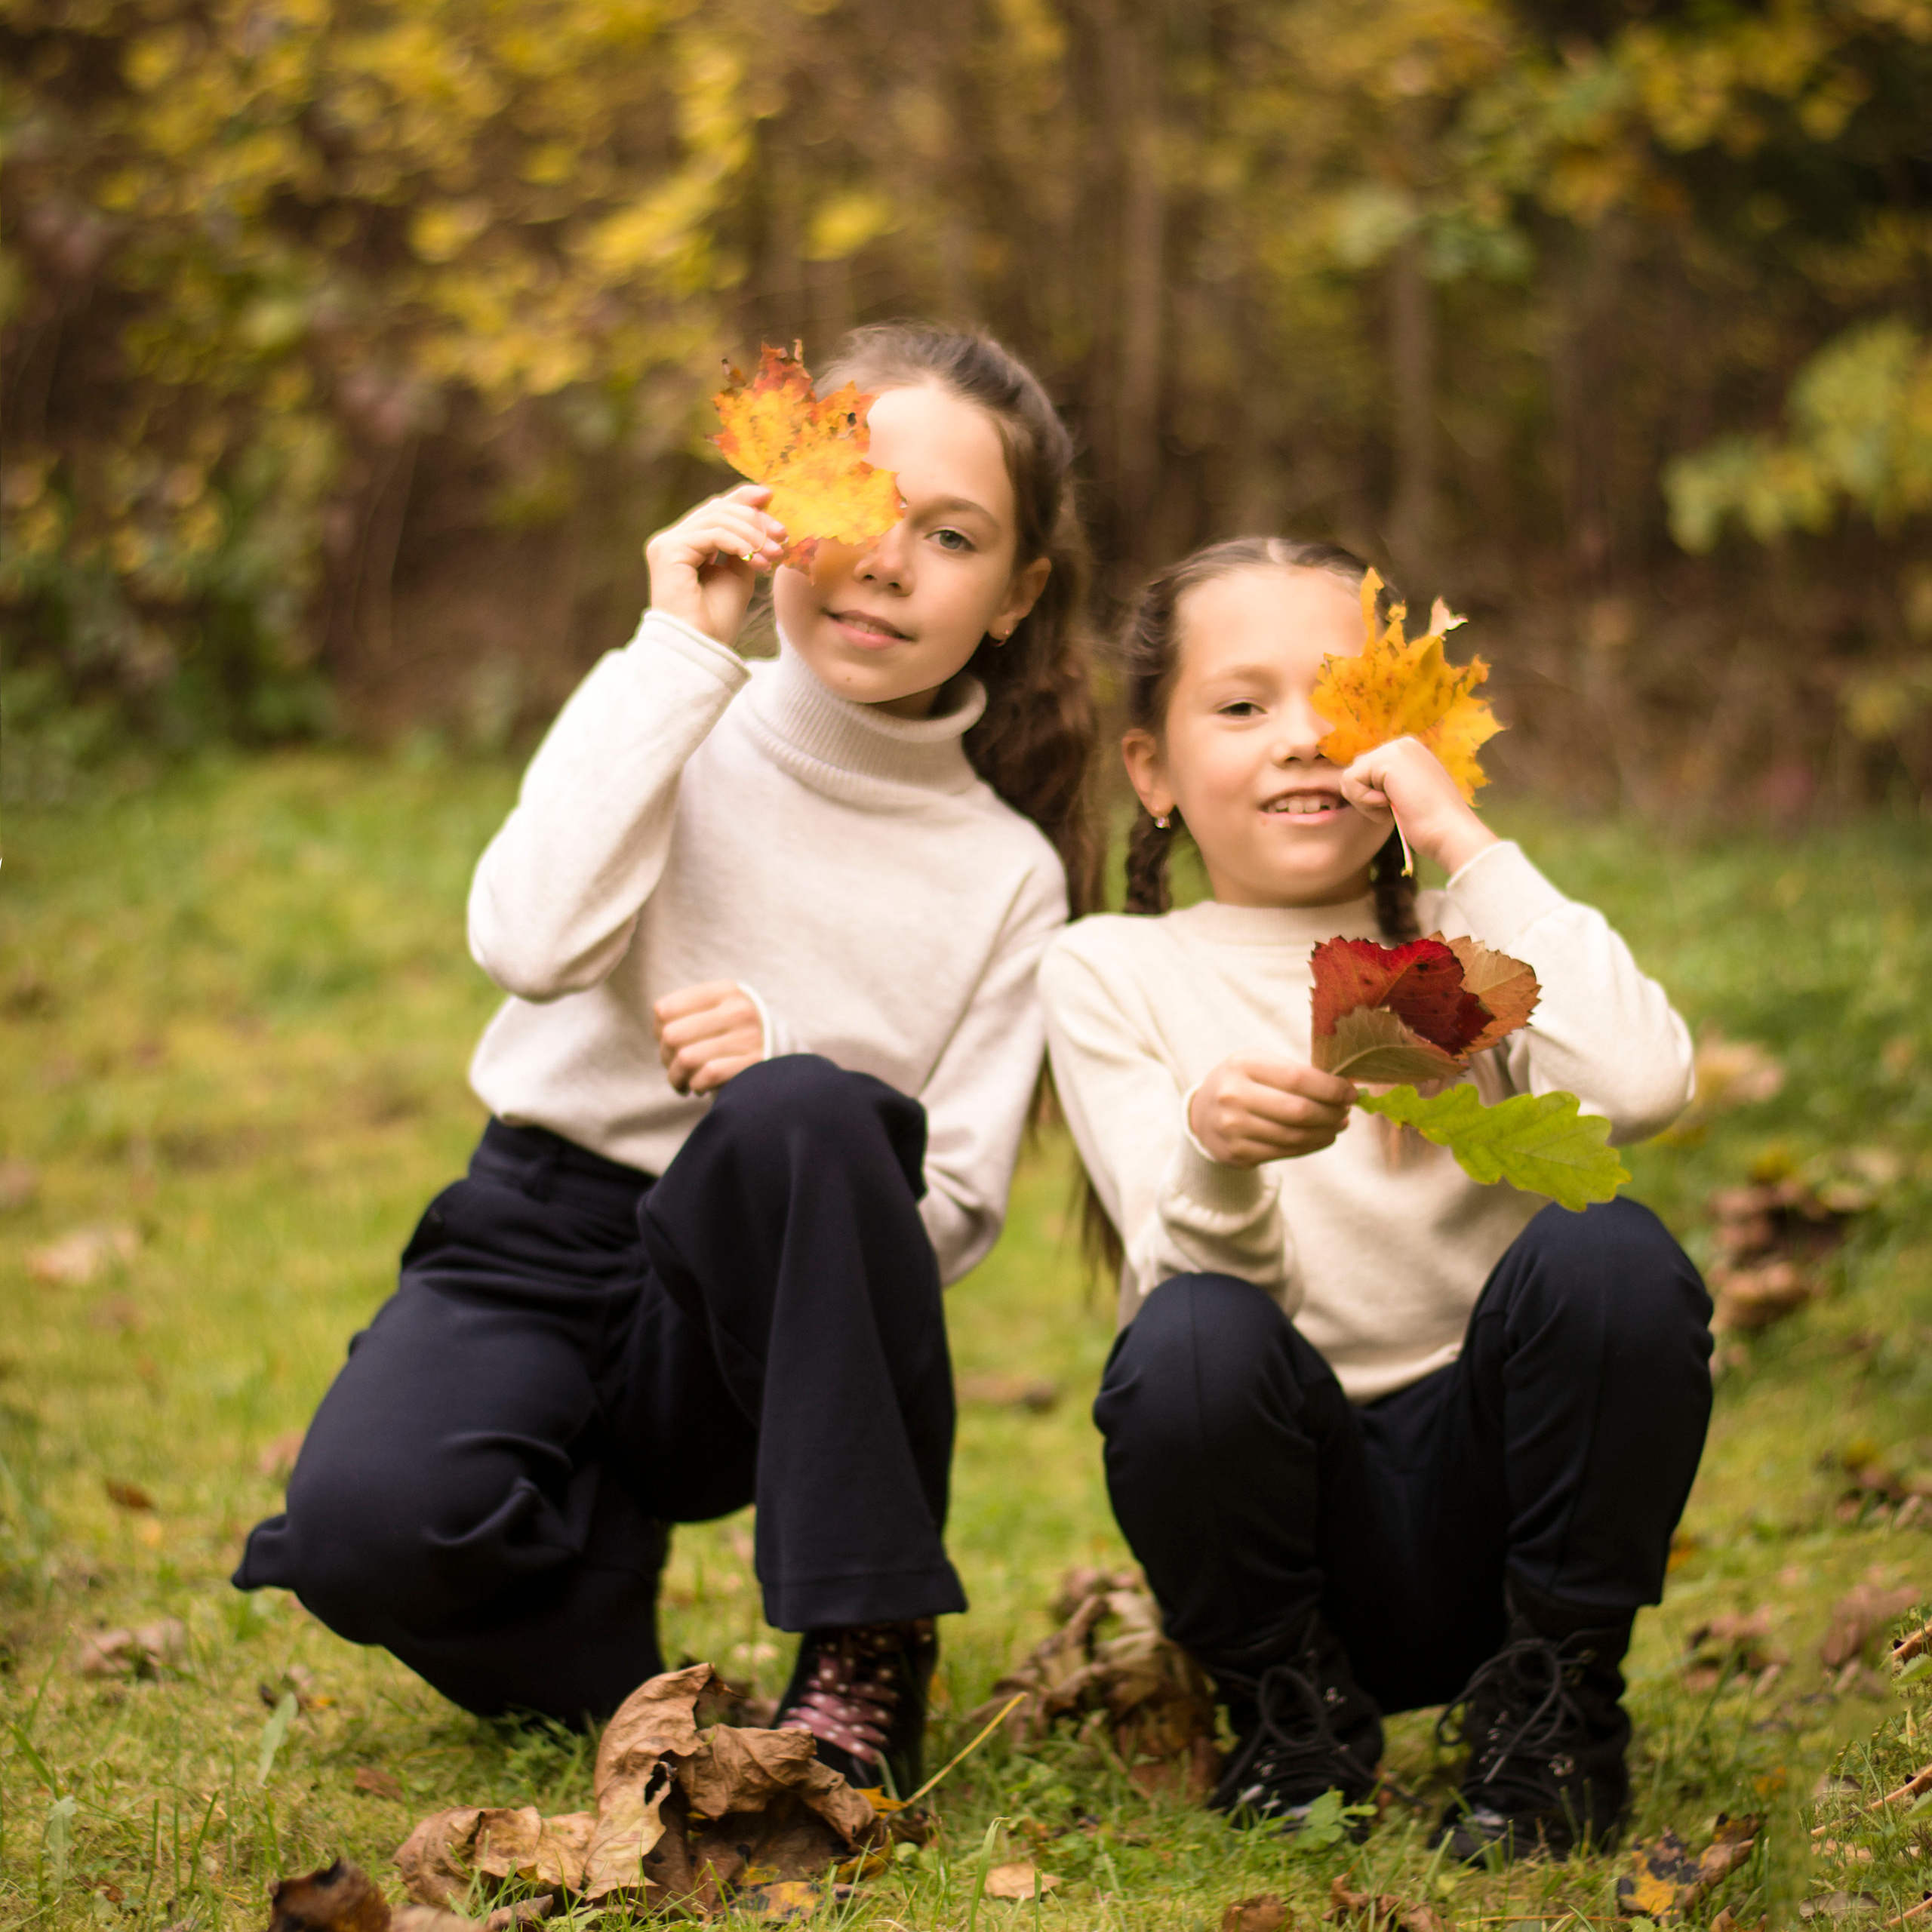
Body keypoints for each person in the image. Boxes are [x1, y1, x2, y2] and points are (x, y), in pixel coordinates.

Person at [235, 325, 1100, 1797]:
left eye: (948, 536)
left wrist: (795, 1077)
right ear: (776, 508)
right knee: (363, 1532)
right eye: (857, 506)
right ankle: (617, 1646)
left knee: (803, 1112)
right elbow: (524, 938)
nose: (886, 561)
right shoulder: (667, 703)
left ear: (1014, 595)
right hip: (539, 1235)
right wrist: (676, 647)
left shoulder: (1004, 872)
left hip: (769, 1324)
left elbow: (945, 1212)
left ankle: (863, 1635)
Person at [1039, 537, 1709, 1860]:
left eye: (1344, 702)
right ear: (1151, 772)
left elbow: (1642, 1085)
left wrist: (1461, 837)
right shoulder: (1112, 969)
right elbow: (1183, 1288)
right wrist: (1218, 1151)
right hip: (1287, 1526)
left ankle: (1555, 1711)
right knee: (1184, 1345)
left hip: (1503, 1506)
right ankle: (1292, 1724)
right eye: (1242, 707)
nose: (1301, 738)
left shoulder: (1463, 954)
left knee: (1614, 1253)